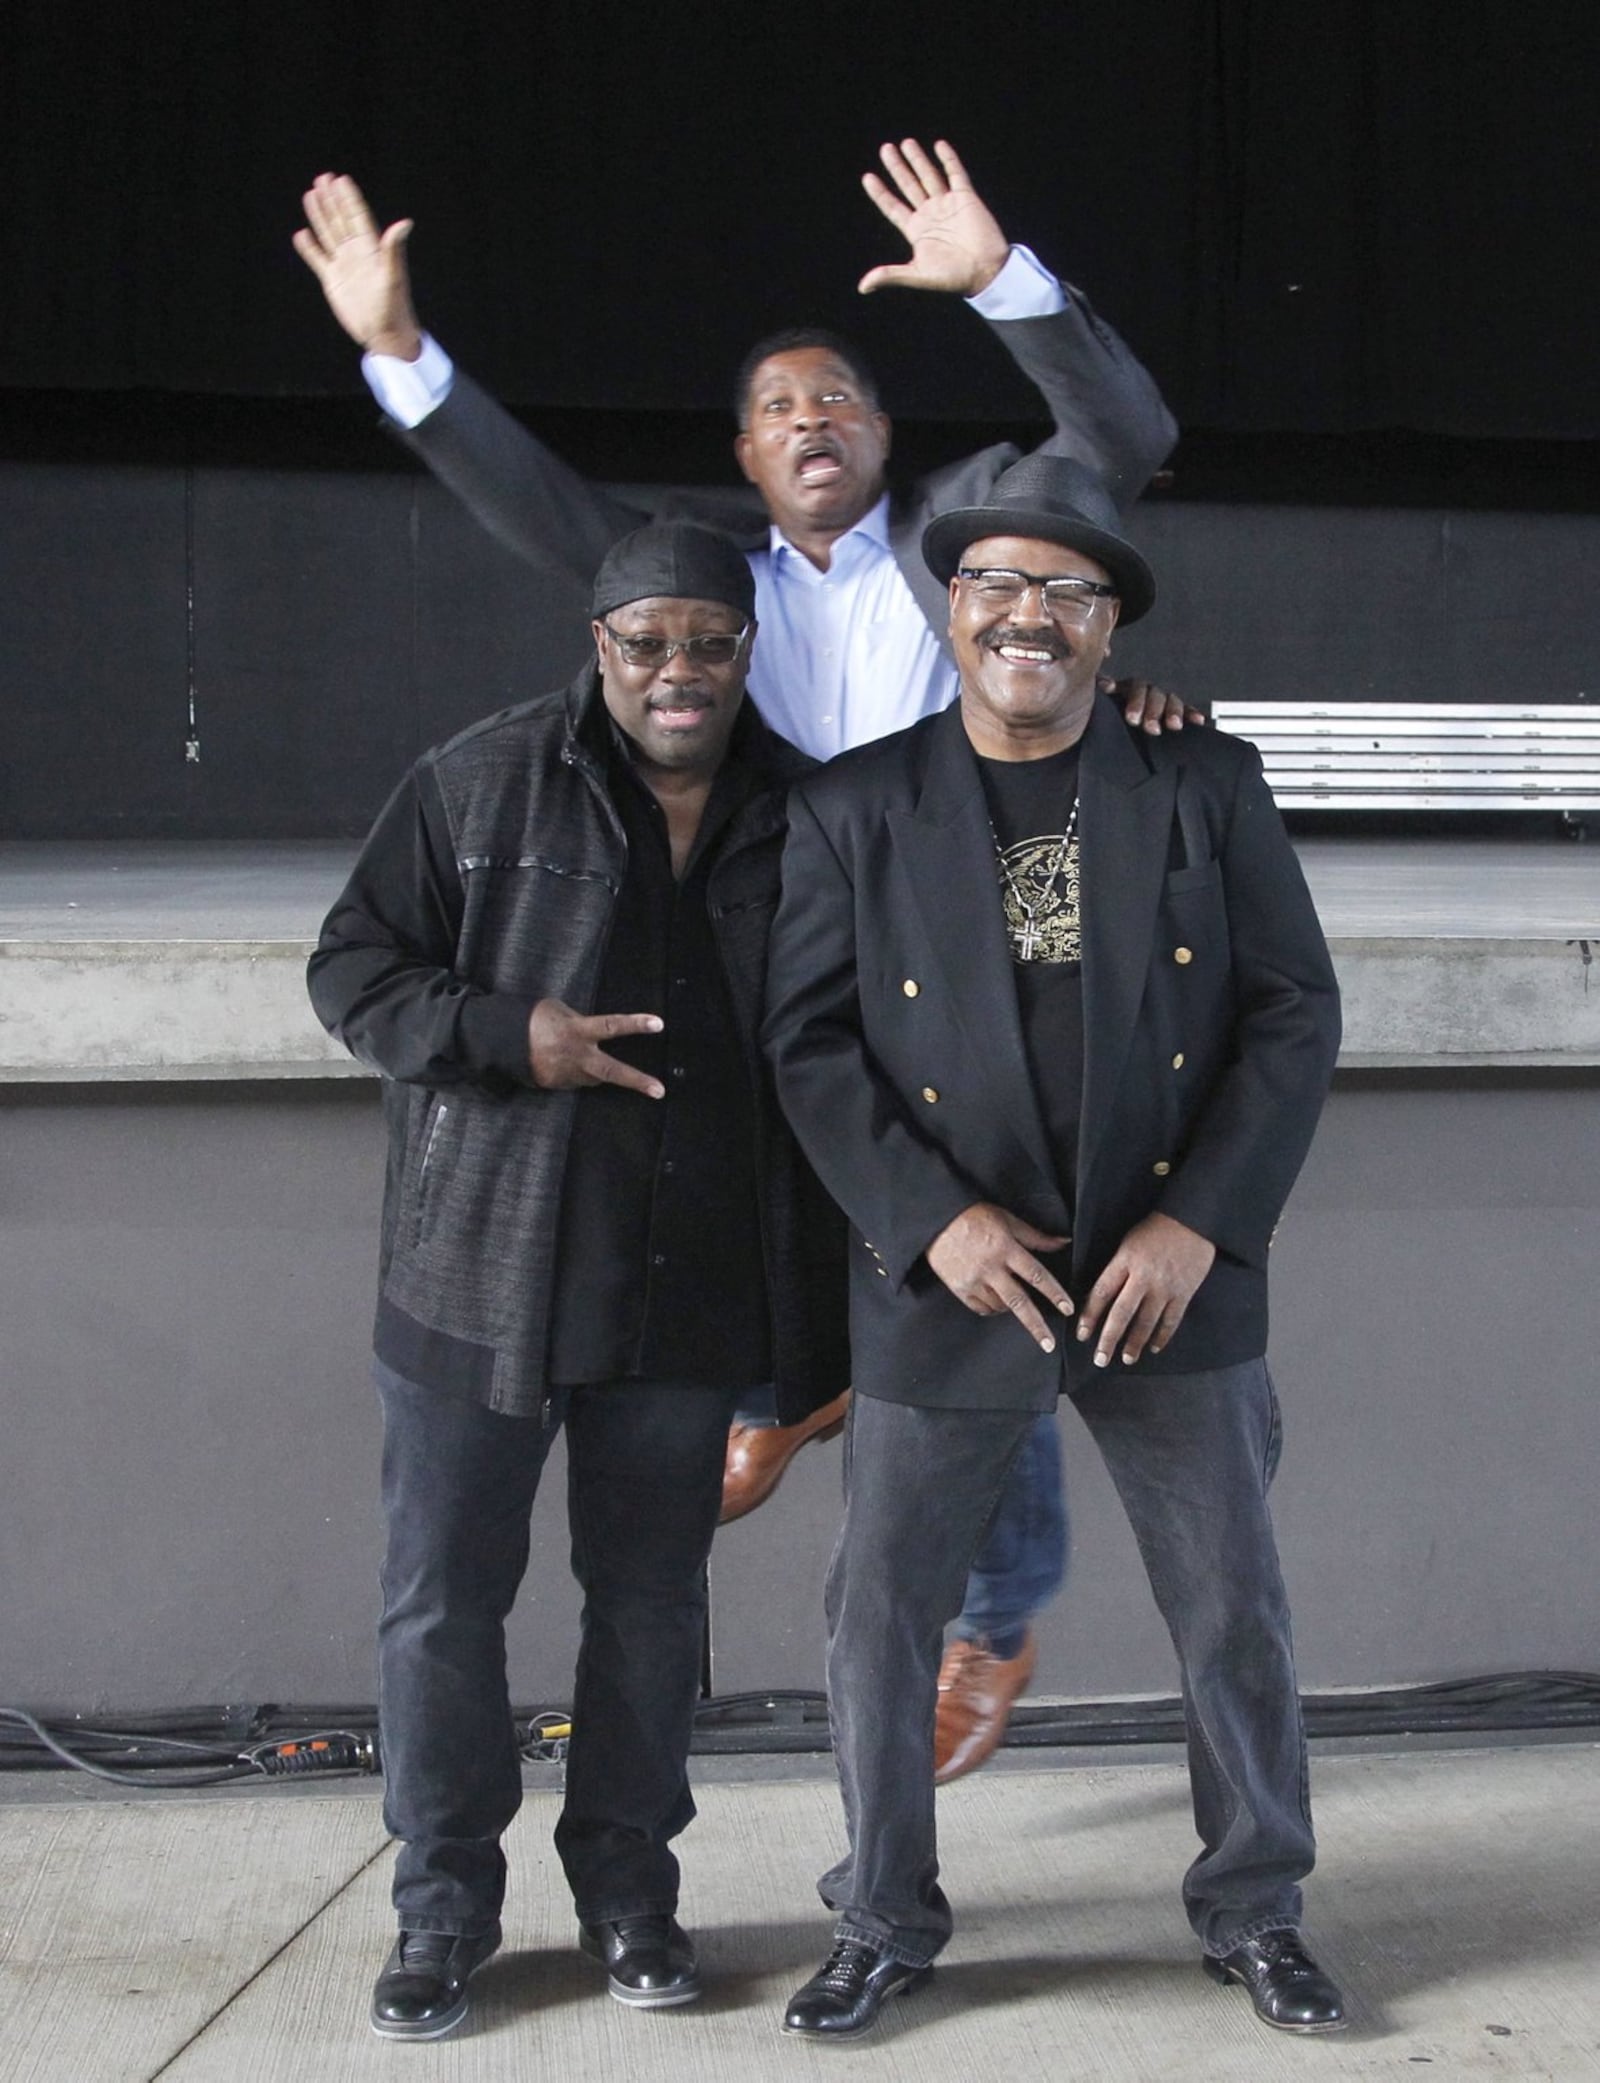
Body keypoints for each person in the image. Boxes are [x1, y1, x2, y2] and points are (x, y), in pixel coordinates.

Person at [294, 138, 1189, 1778]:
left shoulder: (969, 542)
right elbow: (536, 504)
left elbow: (1125, 437)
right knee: (742, 1219)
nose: (811, 421)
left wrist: (1002, 277)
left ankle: (992, 1611)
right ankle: (781, 1396)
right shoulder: (702, 593)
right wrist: (394, 350)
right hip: (770, 965)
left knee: (994, 1284)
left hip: (964, 971)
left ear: (883, 433)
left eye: (839, 397)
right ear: (744, 458)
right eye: (779, 408)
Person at [763, 454, 1346, 2040]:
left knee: (1232, 1607)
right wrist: (926, 1220)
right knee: (880, 1617)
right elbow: (809, 1046)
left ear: (1108, 630)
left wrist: (1199, 1224)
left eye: (1070, 594)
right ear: (952, 609)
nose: (1032, 616)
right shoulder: (853, 807)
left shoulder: (1203, 784)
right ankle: (884, 1916)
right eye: (1001, 587)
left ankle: (1255, 1908)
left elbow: (1295, 1012)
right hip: (959, 1278)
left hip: (1164, 1278)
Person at [307, 521, 849, 2041]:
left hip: (684, 1292)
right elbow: (351, 966)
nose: (679, 673)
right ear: (599, 644)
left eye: (710, 644)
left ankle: (628, 1893)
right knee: (440, 1608)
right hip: (479, 1272)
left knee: (653, 1611)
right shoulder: (481, 780)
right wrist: (509, 1034)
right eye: (645, 643)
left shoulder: (805, 810)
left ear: (751, 650)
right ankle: (442, 1912)